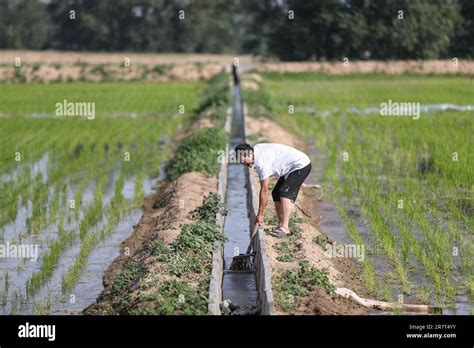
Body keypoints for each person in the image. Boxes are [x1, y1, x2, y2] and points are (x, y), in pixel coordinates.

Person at [234, 143, 312, 237]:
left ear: (250, 154)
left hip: (301, 165)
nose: (245, 165)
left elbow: (264, 191)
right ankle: (280, 225)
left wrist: (260, 215)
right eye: (242, 163)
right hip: (289, 167)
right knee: (276, 193)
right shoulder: (256, 151)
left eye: (245, 162)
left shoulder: (262, 162)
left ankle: (285, 228)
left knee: (284, 192)